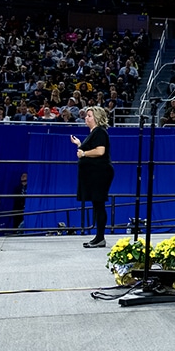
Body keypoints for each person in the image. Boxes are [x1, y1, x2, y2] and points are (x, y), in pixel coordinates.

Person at [70, 106, 114, 248]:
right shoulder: (94, 133)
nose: (86, 118)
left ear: (97, 117)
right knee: (97, 204)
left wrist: (83, 154)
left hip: (100, 173)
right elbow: (91, 148)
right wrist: (79, 144)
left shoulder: (100, 131)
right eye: (86, 115)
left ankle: (100, 238)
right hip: (94, 173)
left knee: (99, 204)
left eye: (89, 115)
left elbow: (100, 151)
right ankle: (98, 237)